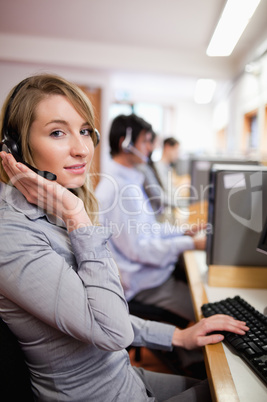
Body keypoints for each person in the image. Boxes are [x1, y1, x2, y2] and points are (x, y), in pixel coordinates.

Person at [0, 74, 249, 402]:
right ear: (16, 147)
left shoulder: (53, 208)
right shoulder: (14, 235)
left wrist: (179, 336)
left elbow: (97, 311)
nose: (82, 149)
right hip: (100, 393)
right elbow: (112, 328)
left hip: (122, 374)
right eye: (58, 132)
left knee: (236, 384)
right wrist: (78, 217)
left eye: (86, 131)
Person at [96, 114, 205, 324]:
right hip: (143, 282)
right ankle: (187, 354)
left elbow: (150, 228)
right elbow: (140, 249)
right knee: (203, 309)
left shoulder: (129, 180)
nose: (150, 147)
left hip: (150, 271)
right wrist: (191, 242)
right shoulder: (120, 189)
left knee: (194, 280)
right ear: (125, 143)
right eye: (145, 141)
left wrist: (182, 231)